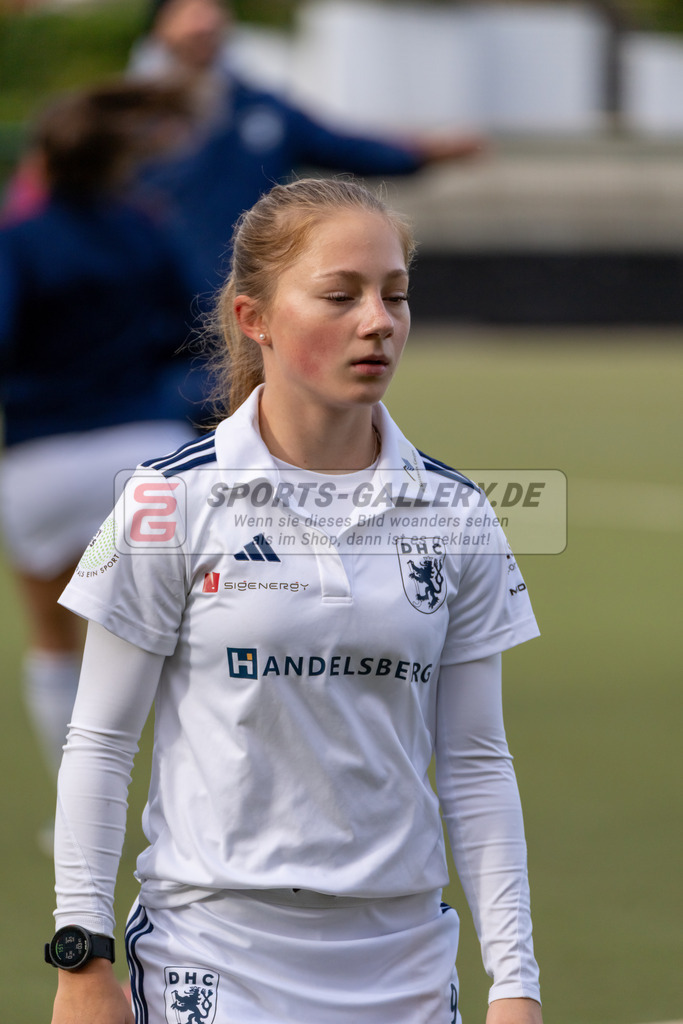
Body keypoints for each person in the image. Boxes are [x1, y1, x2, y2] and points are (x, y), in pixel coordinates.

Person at [48, 177, 543, 1023]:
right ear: (255, 319)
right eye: (339, 296)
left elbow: (475, 763)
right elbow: (98, 742)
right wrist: (81, 956)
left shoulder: (456, 510)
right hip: (213, 960)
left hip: (406, 972)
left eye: (395, 296)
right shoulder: (168, 503)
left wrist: (515, 982)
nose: (377, 322)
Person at [0, 82, 206, 826]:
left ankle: (82, 818)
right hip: (152, 456)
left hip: (42, 463)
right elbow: (198, 323)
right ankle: (199, 808)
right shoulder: (148, 229)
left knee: (57, 637)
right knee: (175, 642)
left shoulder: (16, 241)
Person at [128, 0, 486, 297]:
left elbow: (342, 146)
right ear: (160, 28)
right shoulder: (126, 114)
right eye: (189, 11)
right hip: (155, 289)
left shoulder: (260, 106)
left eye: (212, 10)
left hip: (245, 284)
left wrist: (421, 152)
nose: (205, 21)